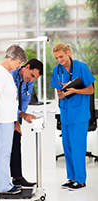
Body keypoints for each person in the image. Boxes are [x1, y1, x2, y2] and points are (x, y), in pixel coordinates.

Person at [0, 58, 43, 187]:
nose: (32, 80)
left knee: (16, 137)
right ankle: (0, 179)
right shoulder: (9, 73)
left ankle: (17, 177)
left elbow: (24, 101)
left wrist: (20, 119)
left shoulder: (29, 81)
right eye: (32, 75)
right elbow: (2, 99)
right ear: (26, 67)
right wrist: (16, 118)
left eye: (35, 78)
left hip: (12, 107)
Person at [50, 43, 96, 191]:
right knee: (67, 146)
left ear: (68, 52)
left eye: (61, 57)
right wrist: (63, 92)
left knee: (78, 147)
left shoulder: (81, 67)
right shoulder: (56, 70)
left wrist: (74, 89)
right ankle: (71, 178)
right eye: (57, 58)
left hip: (79, 113)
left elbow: (90, 90)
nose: (59, 60)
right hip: (66, 113)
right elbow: (59, 93)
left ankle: (80, 180)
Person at [0, 45, 28, 194]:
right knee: (2, 153)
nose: (19, 67)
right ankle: (3, 187)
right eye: (18, 63)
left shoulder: (7, 72)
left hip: (7, 120)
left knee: (5, 153)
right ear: (11, 59)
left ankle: (5, 184)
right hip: (1, 120)